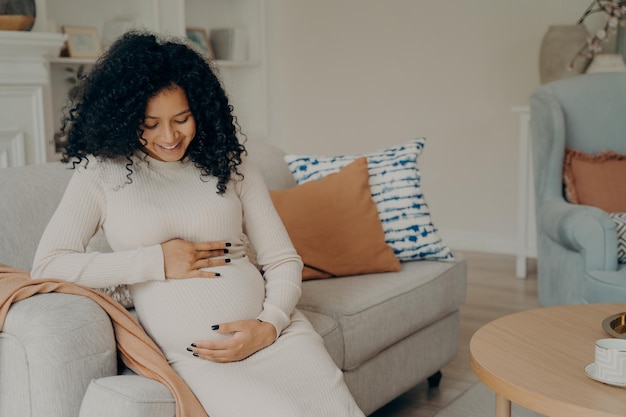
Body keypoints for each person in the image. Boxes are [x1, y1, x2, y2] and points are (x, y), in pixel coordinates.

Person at [31, 31, 365, 417]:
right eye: (150, 123)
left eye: (181, 119)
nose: (169, 136)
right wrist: (156, 261)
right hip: (204, 359)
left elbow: (283, 259)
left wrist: (269, 325)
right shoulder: (101, 173)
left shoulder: (228, 161)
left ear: (200, 111)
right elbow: (49, 262)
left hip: (279, 337)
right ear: (123, 118)